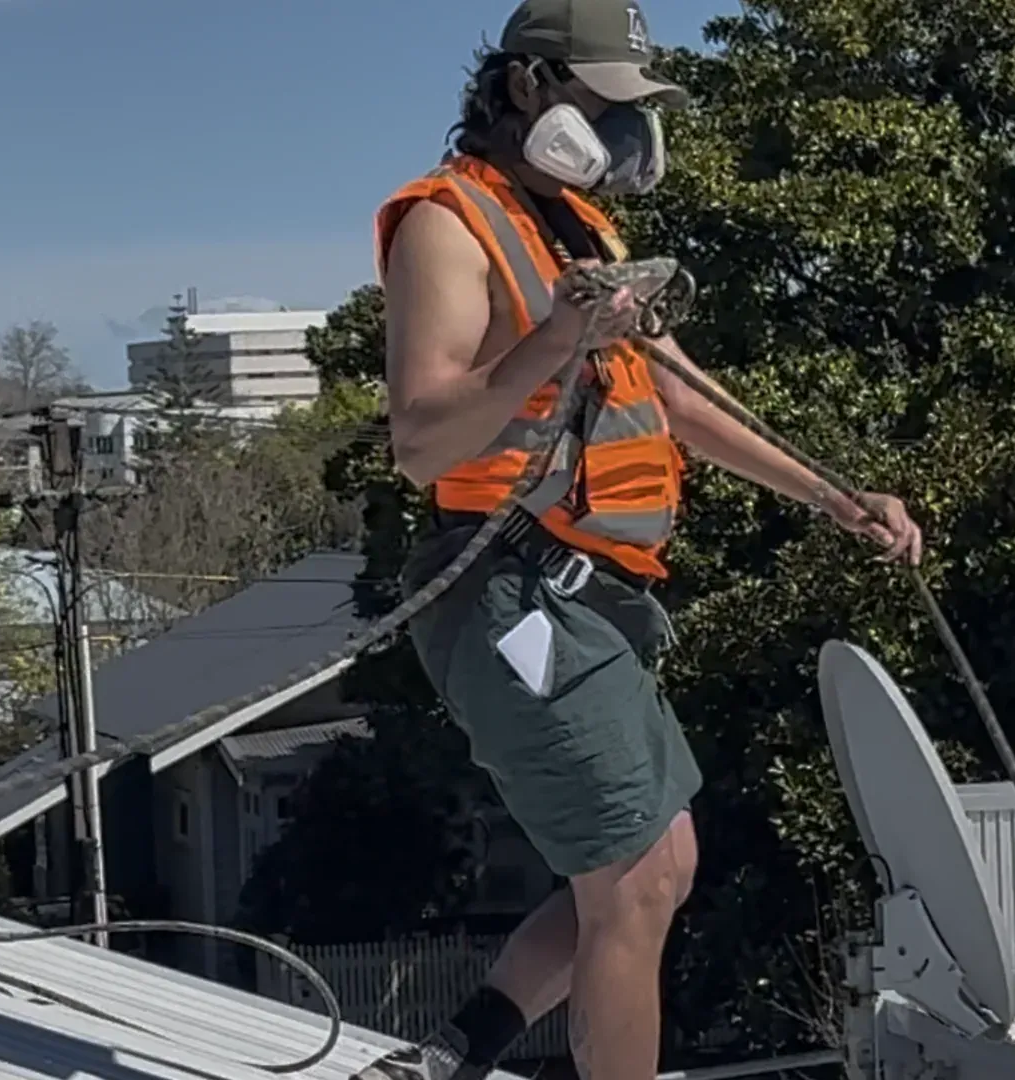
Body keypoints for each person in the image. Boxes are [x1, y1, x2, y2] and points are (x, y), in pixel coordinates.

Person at [358, 2, 923, 1079]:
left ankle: (451, 1057)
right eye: (601, 101)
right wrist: (557, 337)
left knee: (662, 860)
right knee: (634, 879)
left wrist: (830, 493)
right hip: (506, 586)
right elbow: (422, 443)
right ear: (525, 88)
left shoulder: (578, 228)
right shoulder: (448, 224)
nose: (623, 129)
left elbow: (675, 394)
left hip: (594, 595)